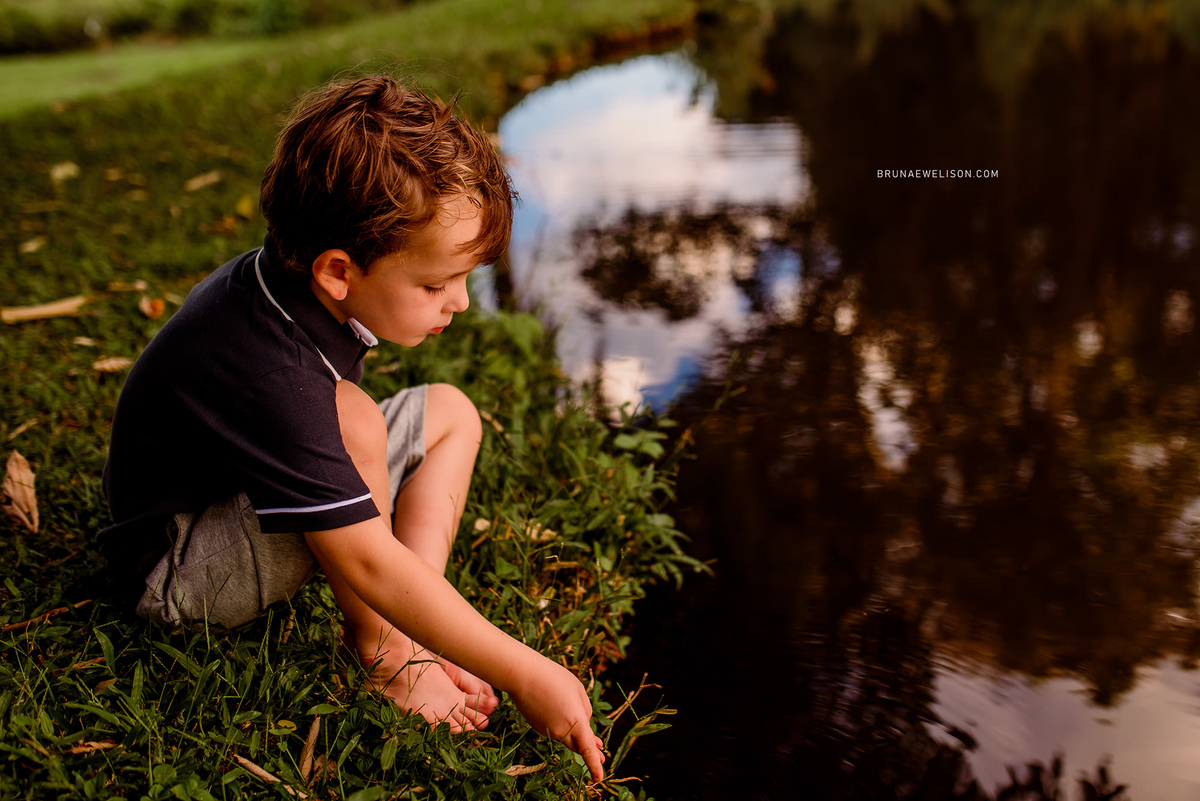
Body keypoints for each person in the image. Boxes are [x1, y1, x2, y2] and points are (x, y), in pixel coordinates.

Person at [98, 74, 605, 782]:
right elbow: (364, 557)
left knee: (450, 412)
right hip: (177, 570)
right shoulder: (273, 366)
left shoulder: (290, 282)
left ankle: (413, 625)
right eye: (435, 284)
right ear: (340, 270)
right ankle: (389, 655)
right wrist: (526, 672)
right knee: (359, 424)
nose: (459, 301)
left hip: (231, 494)